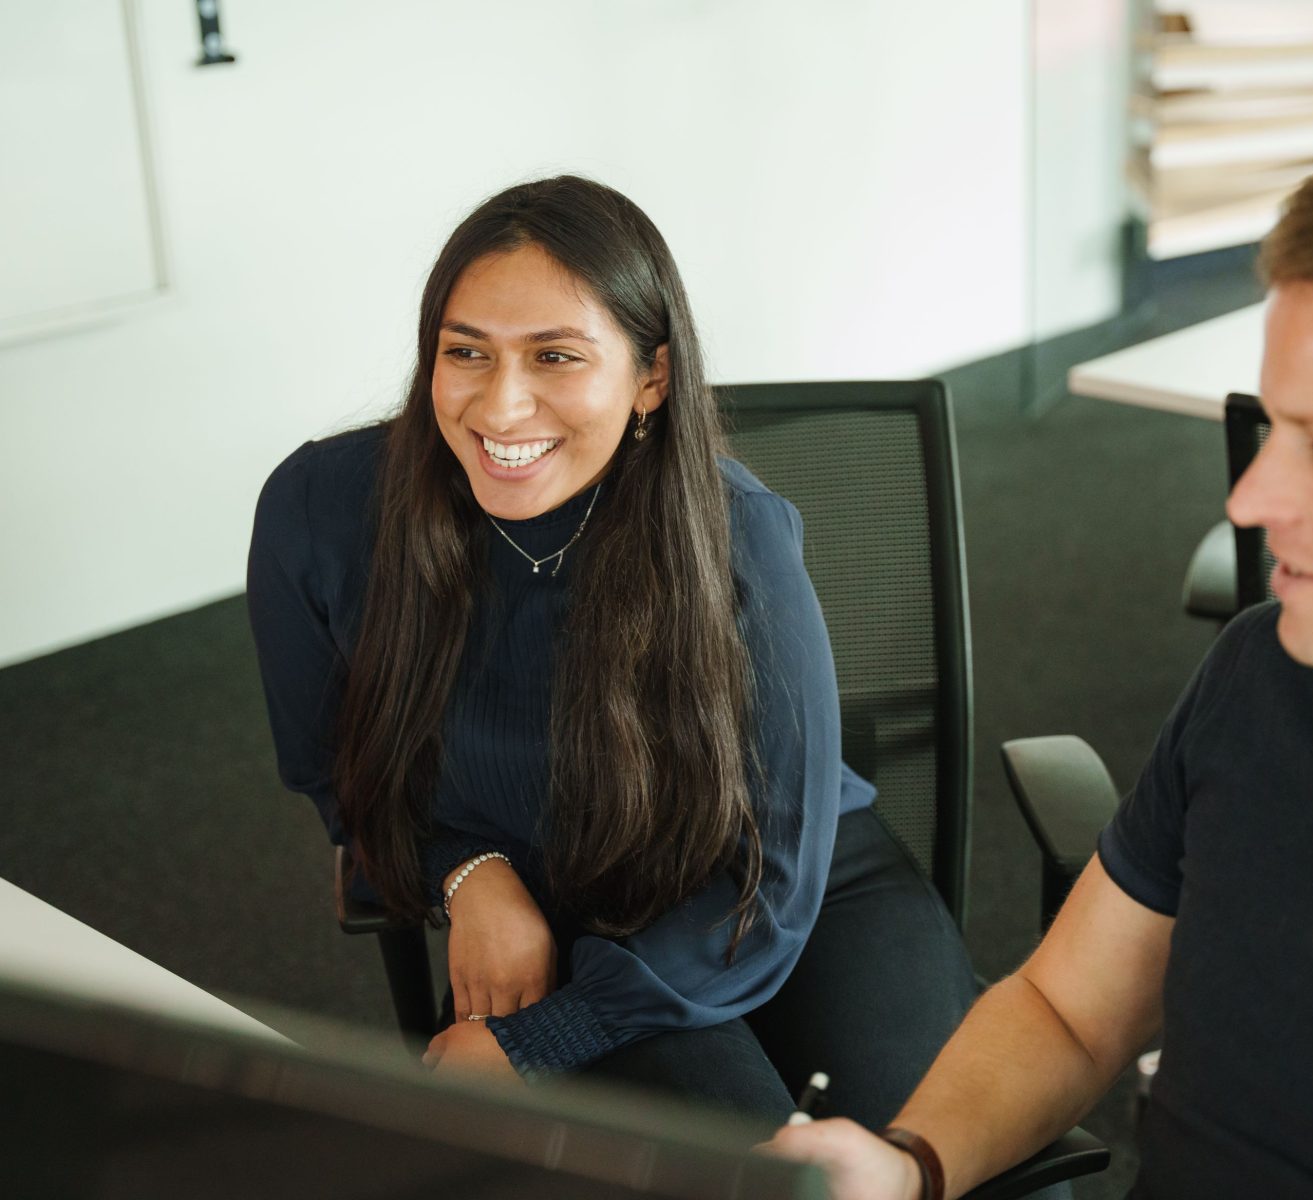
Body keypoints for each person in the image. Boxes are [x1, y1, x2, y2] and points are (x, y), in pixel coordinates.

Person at [770, 121, 1313, 1198]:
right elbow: (1064, 1012)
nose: (1248, 500)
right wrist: (907, 1165)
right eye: (1268, 430)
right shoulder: (1268, 670)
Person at [246, 176, 974, 1125]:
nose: (502, 409)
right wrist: (465, 872)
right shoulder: (322, 512)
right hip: (564, 914)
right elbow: (332, 770)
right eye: (466, 352)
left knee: (950, 1153)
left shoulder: (734, 534)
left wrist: (542, 1039)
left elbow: (781, 867)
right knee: (740, 1173)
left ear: (652, 378)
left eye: (555, 356)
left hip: (771, 885)